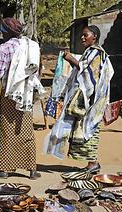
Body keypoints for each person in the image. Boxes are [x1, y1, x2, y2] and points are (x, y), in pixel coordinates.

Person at [45, 25, 114, 173]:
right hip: (88, 100)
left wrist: (71, 59)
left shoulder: (96, 53)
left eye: (85, 35)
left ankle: (93, 163)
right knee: (83, 129)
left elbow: (90, 73)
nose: (82, 38)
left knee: (89, 129)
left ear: (94, 36)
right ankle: (92, 162)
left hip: (92, 101)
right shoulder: (91, 52)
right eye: (82, 35)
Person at [0, 18, 44, 180]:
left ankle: (3, 167)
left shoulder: (4, 48)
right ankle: (32, 168)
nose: (1, 33)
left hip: (9, 93)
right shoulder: (31, 46)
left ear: (8, 32)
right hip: (26, 93)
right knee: (25, 128)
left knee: (6, 130)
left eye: (3, 30)